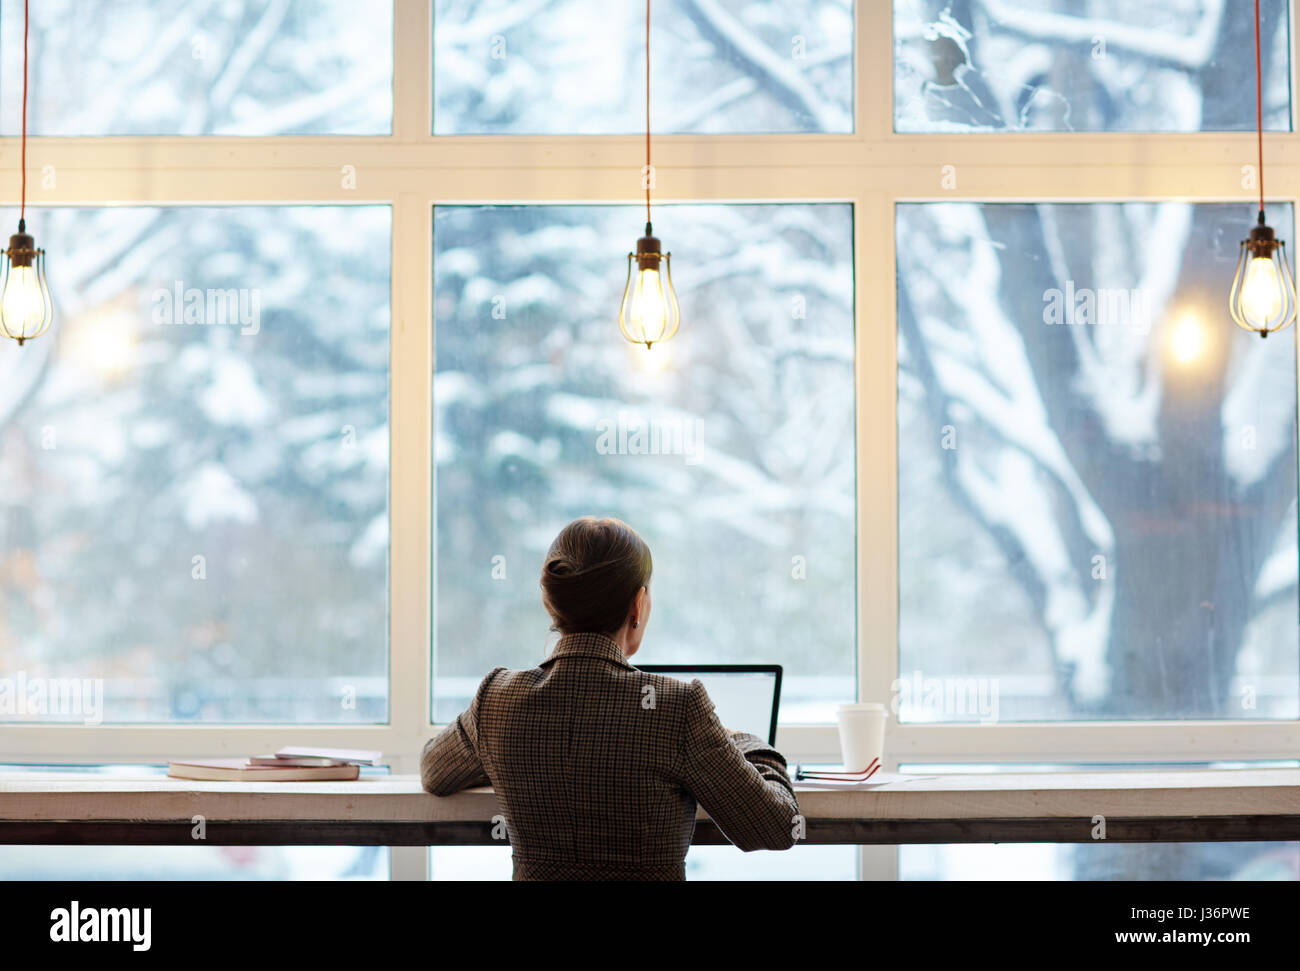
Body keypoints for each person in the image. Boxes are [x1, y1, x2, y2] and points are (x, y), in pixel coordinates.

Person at [421, 515, 799, 880]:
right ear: (638, 606)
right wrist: (742, 742)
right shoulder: (676, 707)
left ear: (551, 604)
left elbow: (434, 771)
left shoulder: (498, 699)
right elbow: (777, 828)